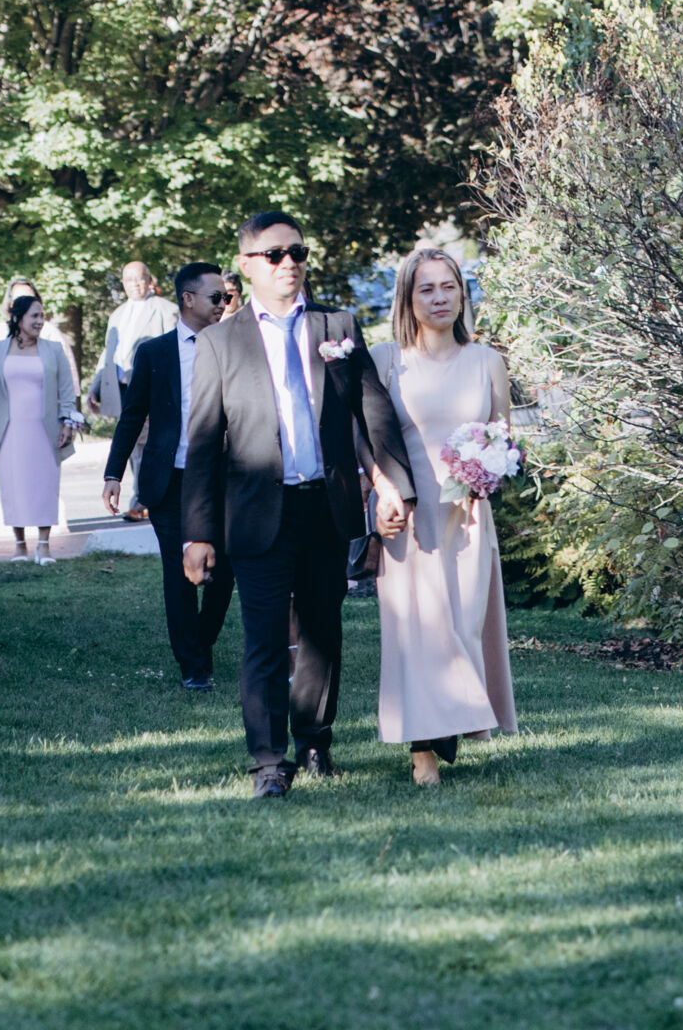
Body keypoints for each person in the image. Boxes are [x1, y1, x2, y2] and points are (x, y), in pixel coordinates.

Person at [182, 211, 416, 799]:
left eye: (298, 252)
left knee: (321, 632)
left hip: (326, 507)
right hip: (256, 512)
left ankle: (315, 742)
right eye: (274, 254)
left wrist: (394, 483)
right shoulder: (218, 342)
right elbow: (203, 443)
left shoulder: (337, 325)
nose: (289, 263)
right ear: (246, 266)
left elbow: (373, 410)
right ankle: (268, 760)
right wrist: (197, 533)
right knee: (264, 639)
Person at [371, 247, 518, 786]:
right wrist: (379, 497)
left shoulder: (486, 362)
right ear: (408, 298)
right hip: (409, 519)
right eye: (426, 288)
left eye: (448, 286)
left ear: (462, 293)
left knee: (460, 626)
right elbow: (367, 441)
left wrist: (489, 471)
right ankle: (423, 752)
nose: (439, 298)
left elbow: (503, 438)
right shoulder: (386, 360)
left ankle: (451, 724)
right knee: (417, 631)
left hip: (468, 517)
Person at [104, 262, 237, 689]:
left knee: (223, 573)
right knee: (179, 574)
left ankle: (200, 642)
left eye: (226, 297)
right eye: (216, 297)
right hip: (169, 481)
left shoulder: (235, 347)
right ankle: (193, 666)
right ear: (188, 299)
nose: (223, 303)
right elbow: (132, 416)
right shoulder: (154, 353)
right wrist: (113, 473)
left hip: (223, 479)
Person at [0, 295, 78, 563]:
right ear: (17, 318)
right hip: (9, 430)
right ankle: (20, 545)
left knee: (45, 484)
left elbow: (66, 391)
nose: (40, 321)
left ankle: (44, 546)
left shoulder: (53, 349)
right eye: (34, 316)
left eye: (41, 316)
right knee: (13, 486)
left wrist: (67, 422)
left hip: (44, 429)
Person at [89, 261, 178, 521]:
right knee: (132, 446)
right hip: (121, 388)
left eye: (139, 278)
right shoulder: (117, 315)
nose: (135, 284)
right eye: (128, 280)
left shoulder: (166, 310)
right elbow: (109, 354)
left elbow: (173, 350)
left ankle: (142, 502)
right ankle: (144, 498)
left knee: (145, 445)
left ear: (150, 280)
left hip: (151, 388)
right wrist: (95, 386)